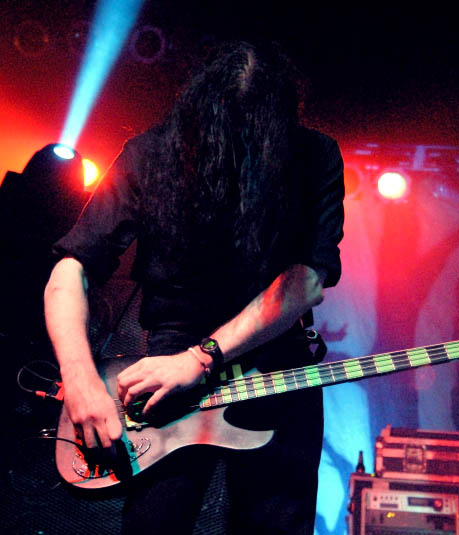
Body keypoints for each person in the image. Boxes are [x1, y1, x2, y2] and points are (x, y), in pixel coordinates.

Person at [44, 41, 345, 534]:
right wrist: (79, 381)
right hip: (167, 377)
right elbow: (71, 269)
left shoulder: (312, 155)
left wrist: (202, 357)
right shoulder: (150, 154)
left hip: (277, 361)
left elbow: (305, 281)